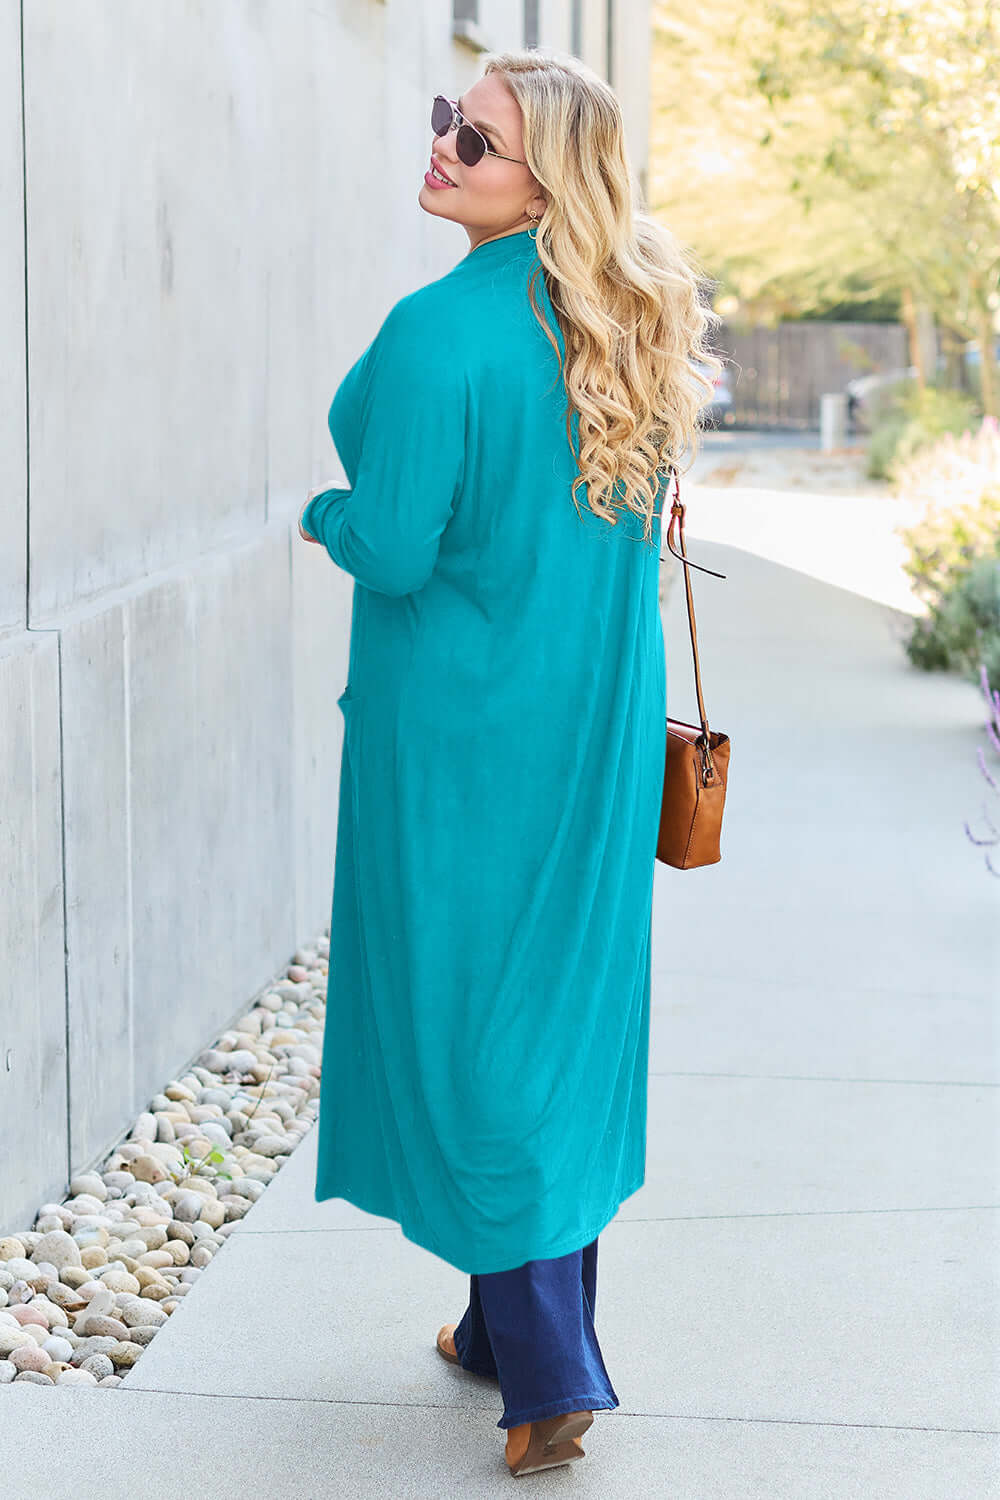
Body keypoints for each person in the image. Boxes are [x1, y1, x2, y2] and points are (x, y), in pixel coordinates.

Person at [298, 47, 720, 1479]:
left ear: (548, 180)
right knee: (550, 1015)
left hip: (464, 737)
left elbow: (399, 542)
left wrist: (320, 516)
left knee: (471, 1023)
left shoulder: (438, 333)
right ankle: (499, 1326)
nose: (442, 149)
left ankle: (547, 1372)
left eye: (473, 142)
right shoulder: (632, 320)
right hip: (590, 726)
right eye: (445, 124)